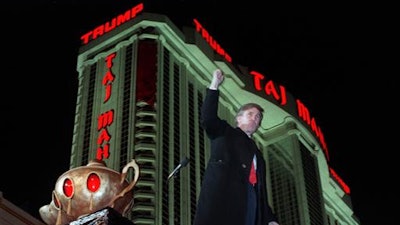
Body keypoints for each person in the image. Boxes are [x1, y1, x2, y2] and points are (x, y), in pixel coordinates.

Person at [193, 69, 280, 225]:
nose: (255, 118)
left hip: (250, 201)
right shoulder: (225, 132)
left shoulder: (259, 156)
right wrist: (214, 85)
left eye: (258, 117)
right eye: (250, 114)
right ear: (238, 118)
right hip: (224, 198)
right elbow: (207, 119)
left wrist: (270, 219)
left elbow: (261, 192)